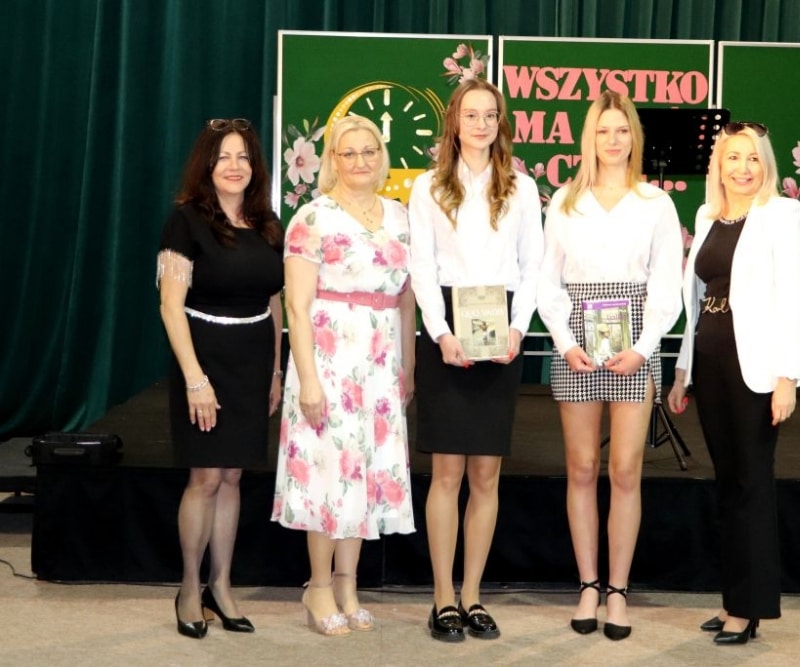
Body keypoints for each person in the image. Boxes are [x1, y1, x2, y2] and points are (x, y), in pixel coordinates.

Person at [536, 90, 684, 641]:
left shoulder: (655, 203)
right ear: (589, 138)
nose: (613, 140)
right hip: (576, 342)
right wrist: (564, 340)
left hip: (635, 341)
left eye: (622, 130)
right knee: (581, 468)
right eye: (603, 130)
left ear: (634, 137)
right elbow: (548, 281)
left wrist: (643, 347)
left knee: (624, 470)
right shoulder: (565, 200)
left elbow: (667, 285)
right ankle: (588, 585)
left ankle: (618, 591)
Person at [408, 78, 543, 642]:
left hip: (502, 327)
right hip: (447, 329)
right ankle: (442, 598)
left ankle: (472, 596)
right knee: (447, 473)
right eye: (471, 115)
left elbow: (532, 266)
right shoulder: (428, 187)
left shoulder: (522, 187)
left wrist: (518, 328)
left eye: (490, 115)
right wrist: (440, 332)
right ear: (454, 122)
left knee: (486, 474)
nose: (481, 124)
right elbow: (421, 264)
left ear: (500, 122)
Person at [666, 121, 800, 645]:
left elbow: (792, 299)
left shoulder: (781, 214)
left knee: (751, 483)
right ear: (718, 165)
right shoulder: (707, 216)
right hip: (709, 365)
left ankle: (749, 609)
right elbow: (696, 302)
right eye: (733, 157)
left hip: (757, 371)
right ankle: (734, 598)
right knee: (728, 485)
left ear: (765, 164)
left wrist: (786, 377)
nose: (743, 168)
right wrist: (682, 370)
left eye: (752, 158)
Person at [272, 115, 416, 636]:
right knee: (329, 474)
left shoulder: (400, 216)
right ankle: (317, 587)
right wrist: (308, 379)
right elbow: (296, 306)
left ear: (382, 156)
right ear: (332, 160)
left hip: (381, 365)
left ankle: (348, 585)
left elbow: (406, 299)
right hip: (329, 361)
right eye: (348, 152)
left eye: (369, 150)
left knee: (366, 474)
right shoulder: (312, 218)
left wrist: (408, 366)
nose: (360, 161)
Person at [157, 118, 284, 639]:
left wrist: (276, 370)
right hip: (204, 360)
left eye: (243, 157)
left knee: (232, 478)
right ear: (206, 166)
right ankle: (189, 587)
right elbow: (170, 306)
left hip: (253, 362)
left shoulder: (268, 223)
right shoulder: (186, 221)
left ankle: (221, 585)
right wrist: (195, 379)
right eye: (223, 157)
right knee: (205, 478)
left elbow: (275, 303)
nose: (235, 166)